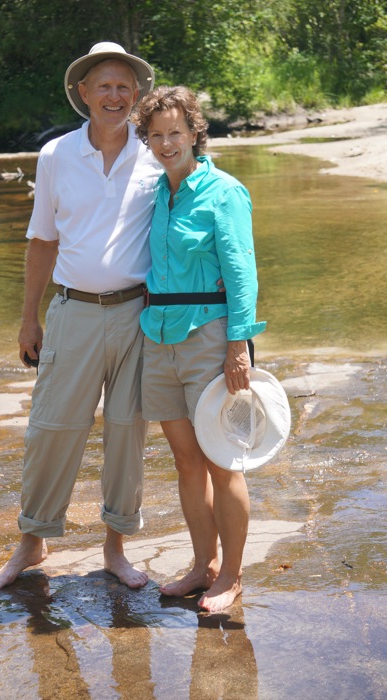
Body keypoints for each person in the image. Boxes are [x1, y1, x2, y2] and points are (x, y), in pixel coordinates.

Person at [0, 42, 162, 591]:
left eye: (124, 87)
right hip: (73, 312)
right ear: (83, 94)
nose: (114, 95)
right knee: (51, 428)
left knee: (127, 431)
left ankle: (116, 548)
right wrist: (28, 319)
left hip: (140, 314)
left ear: (136, 97)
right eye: (104, 86)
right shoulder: (55, 154)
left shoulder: (158, 151)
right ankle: (33, 541)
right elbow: (42, 240)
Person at [133, 86, 266, 612]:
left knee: (222, 461)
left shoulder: (224, 191)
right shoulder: (156, 194)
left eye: (175, 132)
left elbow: (241, 273)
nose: (167, 143)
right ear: (148, 140)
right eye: (156, 135)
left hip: (210, 338)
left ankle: (231, 575)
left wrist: (239, 346)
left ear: (194, 133)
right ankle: (201, 565)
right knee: (186, 462)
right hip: (157, 337)